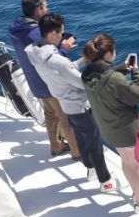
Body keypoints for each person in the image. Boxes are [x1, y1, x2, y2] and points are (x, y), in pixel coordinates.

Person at [25, 13, 117, 191]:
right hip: (81, 107)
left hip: (66, 105)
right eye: (61, 34)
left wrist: (83, 60)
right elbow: (83, 83)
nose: (63, 37)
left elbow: (64, 69)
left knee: (82, 139)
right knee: (94, 142)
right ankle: (105, 181)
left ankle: (90, 169)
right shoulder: (58, 61)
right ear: (52, 34)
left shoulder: (35, 53)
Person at [81, 33, 139, 212]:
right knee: (136, 164)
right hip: (126, 129)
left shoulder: (87, 74)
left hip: (107, 127)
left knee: (127, 162)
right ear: (109, 54)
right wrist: (135, 71)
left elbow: (105, 78)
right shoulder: (114, 79)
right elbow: (137, 94)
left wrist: (122, 68)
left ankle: (137, 192)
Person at [8, 0, 81, 160]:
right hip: (48, 82)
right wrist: (65, 48)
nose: (47, 8)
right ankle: (78, 153)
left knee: (50, 114)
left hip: (35, 82)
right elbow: (51, 60)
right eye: (46, 6)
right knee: (65, 118)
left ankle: (56, 146)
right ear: (39, 10)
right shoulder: (35, 34)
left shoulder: (17, 28)